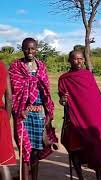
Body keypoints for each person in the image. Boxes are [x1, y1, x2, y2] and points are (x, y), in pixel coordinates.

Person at [58, 50, 101, 180]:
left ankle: (98, 177)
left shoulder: (87, 75)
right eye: (75, 59)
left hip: (92, 119)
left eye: (81, 59)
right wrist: (63, 100)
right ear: (69, 60)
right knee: (75, 149)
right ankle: (80, 177)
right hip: (74, 119)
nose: (79, 61)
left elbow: (96, 98)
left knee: (97, 147)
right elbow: (62, 100)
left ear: (84, 60)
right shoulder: (64, 79)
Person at [9, 37, 58, 180]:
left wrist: (49, 111)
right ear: (22, 49)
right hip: (23, 114)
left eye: (32, 48)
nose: (29, 51)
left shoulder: (41, 66)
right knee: (25, 152)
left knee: (36, 151)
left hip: (39, 114)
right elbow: (13, 92)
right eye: (26, 48)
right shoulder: (16, 67)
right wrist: (18, 111)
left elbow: (46, 91)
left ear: (36, 49)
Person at [0, 59, 16, 180]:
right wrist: (6, 117)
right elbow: (9, 98)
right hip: (1, 115)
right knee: (2, 161)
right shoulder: (3, 67)